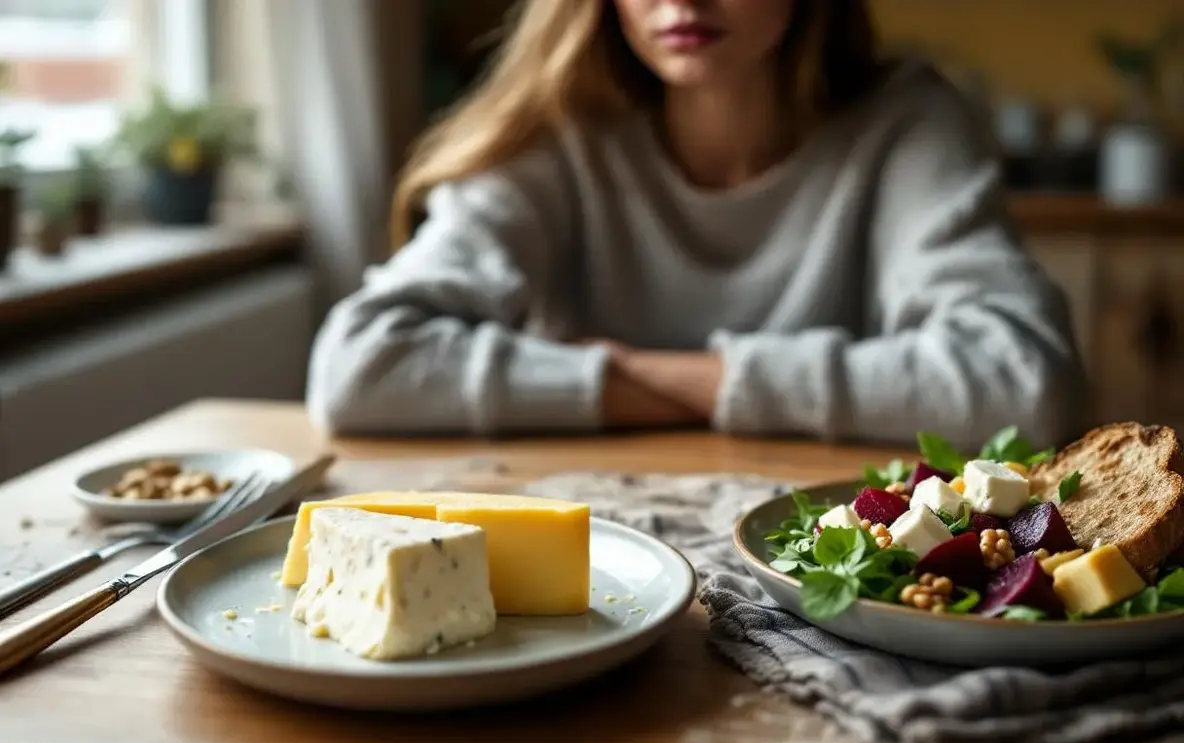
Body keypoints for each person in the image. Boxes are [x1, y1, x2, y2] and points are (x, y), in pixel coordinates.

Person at [305, 0, 1084, 449]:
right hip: (591, 541)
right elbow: (359, 367)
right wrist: (726, 390)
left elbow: (1026, 383)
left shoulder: (906, 120)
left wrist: (651, 375)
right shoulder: (554, 133)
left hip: (812, 550)